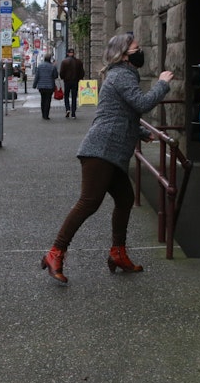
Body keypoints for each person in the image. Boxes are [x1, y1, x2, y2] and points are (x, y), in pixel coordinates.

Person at [41, 32, 174, 284]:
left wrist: (142, 132)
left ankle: (118, 253)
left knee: (124, 199)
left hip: (110, 152)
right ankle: (55, 252)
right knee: (88, 203)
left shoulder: (121, 74)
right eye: (136, 48)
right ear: (124, 54)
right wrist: (162, 83)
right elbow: (142, 103)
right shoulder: (122, 74)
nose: (140, 51)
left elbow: (118, 114)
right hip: (101, 151)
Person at [58, 48, 85, 119]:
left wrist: (62, 77)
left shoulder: (64, 62)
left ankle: (67, 109)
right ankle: (73, 113)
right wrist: (80, 78)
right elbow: (82, 72)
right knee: (74, 97)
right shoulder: (78, 62)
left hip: (67, 81)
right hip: (75, 81)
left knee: (66, 96)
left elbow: (61, 72)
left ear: (67, 53)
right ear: (74, 53)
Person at [32, 53, 59, 120]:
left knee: (43, 100)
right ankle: (46, 115)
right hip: (50, 86)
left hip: (41, 86)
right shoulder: (52, 66)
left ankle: (43, 114)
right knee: (48, 100)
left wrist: (34, 85)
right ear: (50, 59)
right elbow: (55, 76)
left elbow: (37, 76)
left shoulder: (40, 66)